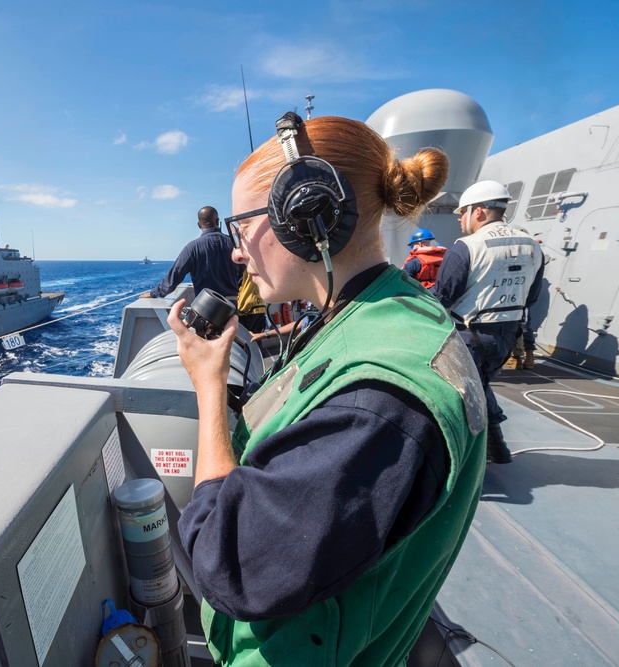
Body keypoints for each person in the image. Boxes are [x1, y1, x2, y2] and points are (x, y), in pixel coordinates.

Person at [168, 112, 487, 666]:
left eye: (240, 229)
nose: (237, 252)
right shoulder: (392, 311)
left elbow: (227, 565)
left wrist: (208, 386)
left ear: (307, 216)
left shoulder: (378, 405)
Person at [432, 180, 544, 463]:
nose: (459, 219)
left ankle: (462, 460)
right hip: (506, 337)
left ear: (479, 211)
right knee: (479, 386)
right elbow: (531, 298)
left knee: (458, 396)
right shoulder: (533, 246)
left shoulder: (467, 247)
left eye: (463, 212)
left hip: (469, 335)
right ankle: (497, 449)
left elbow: (444, 295)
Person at [145, 205, 243, 301]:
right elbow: (243, 275)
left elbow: (174, 276)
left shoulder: (192, 248)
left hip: (207, 308)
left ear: (199, 224)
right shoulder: (235, 244)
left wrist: (154, 293)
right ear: (217, 221)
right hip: (232, 306)